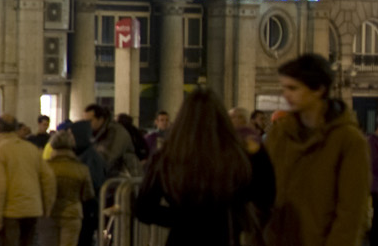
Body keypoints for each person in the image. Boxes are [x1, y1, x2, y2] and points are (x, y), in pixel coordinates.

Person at [134, 88, 273, 245]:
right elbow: (266, 196)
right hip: (224, 235)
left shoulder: (166, 156)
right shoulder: (238, 154)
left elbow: (143, 209)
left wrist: (182, 218)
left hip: (182, 237)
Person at [265, 53, 370, 246]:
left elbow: (351, 212)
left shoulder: (349, 140)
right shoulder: (279, 134)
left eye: (293, 88)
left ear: (319, 90)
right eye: (284, 87)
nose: (286, 94)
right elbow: (263, 193)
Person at [0, 114, 55, 246]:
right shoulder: (31, 149)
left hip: (10, 212)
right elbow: (48, 178)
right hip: (32, 209)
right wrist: (46, 206)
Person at [36, 131, 92, 246]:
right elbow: (88, 194)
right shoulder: (82, 169)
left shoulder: (44, 167)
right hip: (72, 215)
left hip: (48, 214)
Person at [84, 104, 134, 176]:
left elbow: (109, 158)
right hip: (109, 176)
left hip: (123, 177)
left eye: (90, 121)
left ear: (101, 119)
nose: (87, 124)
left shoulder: (116, 132)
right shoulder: (94, 134)